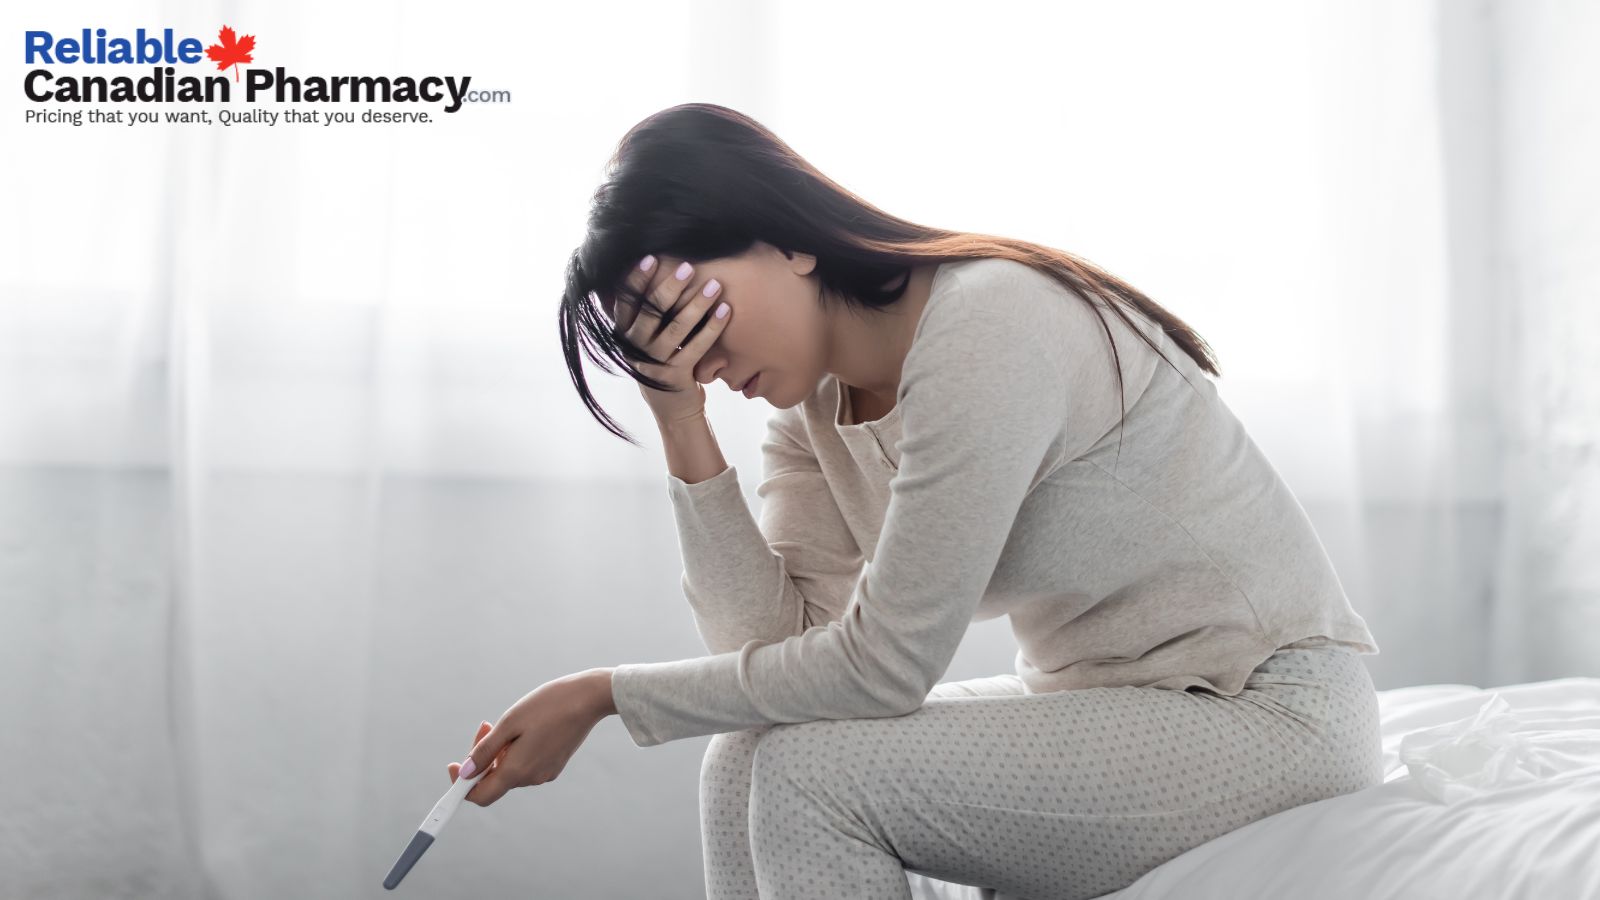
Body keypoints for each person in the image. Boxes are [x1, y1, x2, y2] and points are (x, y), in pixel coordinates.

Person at [450, 102, 1386, 900]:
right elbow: (766, 657)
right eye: (663, 345)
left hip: (1266, 712)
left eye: (695, 315)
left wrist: (605, 696)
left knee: (811, 776)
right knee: (741, 757)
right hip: (1107, 696)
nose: (696, 358)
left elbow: (883, 669)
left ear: (786, 242)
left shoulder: (990, 322)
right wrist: (680, 422)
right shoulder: (813, 401)